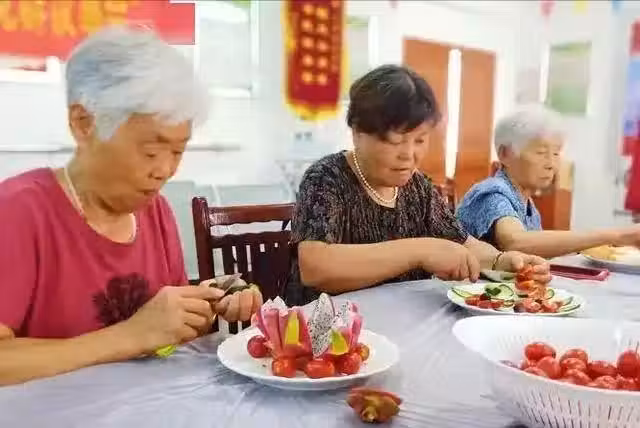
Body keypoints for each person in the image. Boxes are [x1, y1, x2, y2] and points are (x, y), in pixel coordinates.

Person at [0, 26, 262, 386]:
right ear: (84, 124)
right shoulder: (18, 211)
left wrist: (204, 305)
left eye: (178, 151)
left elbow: (166, 342)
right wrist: (130, 335)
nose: (165, 170)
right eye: (151, 152)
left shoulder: (156, 211)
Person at [283, 65, 551, 306]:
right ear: (357, 133)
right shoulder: (326, 178)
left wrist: (502, 261)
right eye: (395, 141)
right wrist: (421, 251)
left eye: (420, 140)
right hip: (332, 330)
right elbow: (316, 267)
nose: (409, 155)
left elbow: (463, 243)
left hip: (401, 320)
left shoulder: (418, 187)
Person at [456, 104, 640, 258]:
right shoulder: (492, 192)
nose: (551, 164)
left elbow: (537, 250)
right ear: (505, 154)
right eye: (541, 153)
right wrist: (616, 235)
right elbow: (515, 242)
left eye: (556, 154)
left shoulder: (526, 202)